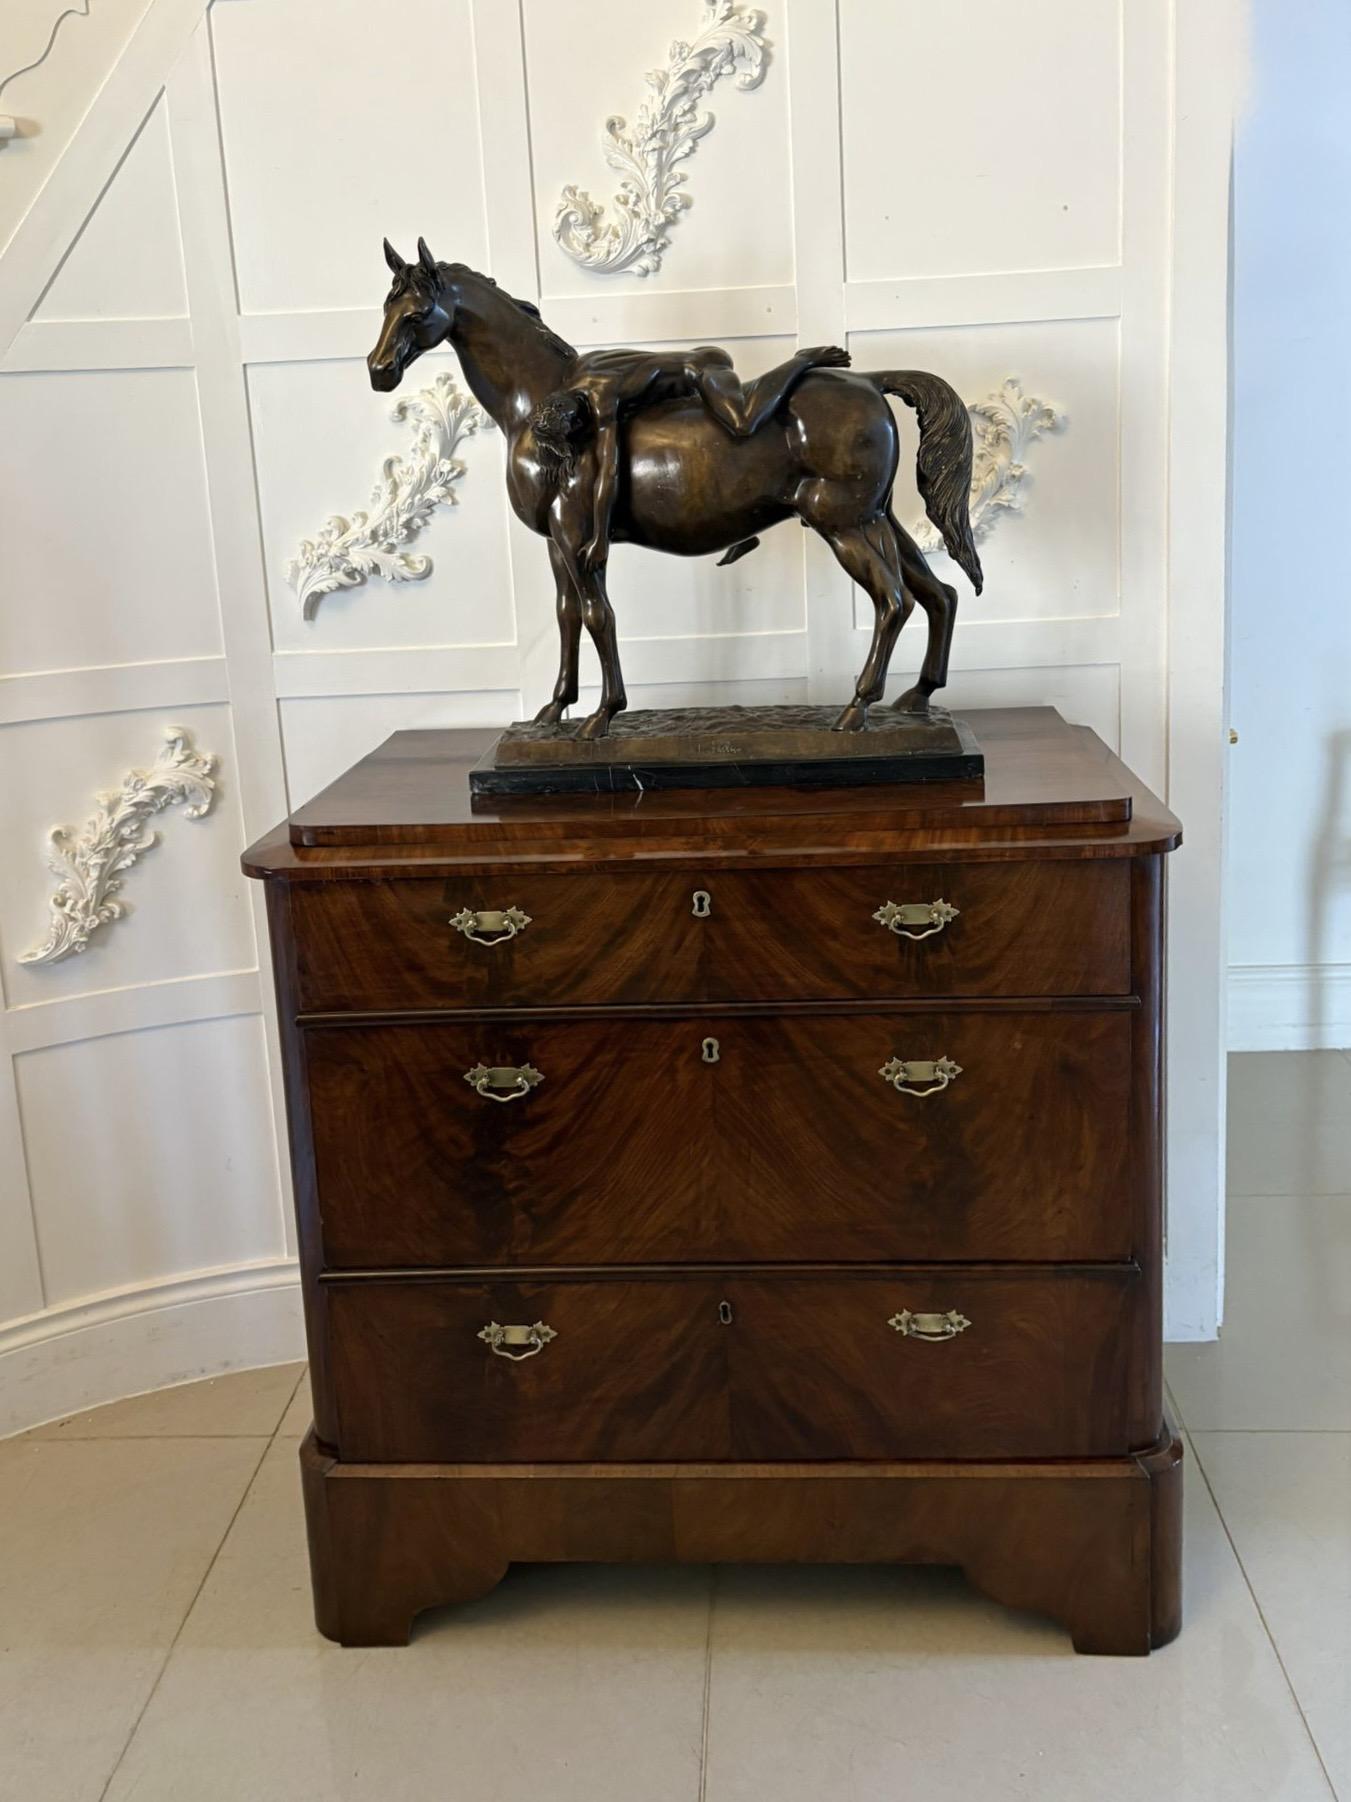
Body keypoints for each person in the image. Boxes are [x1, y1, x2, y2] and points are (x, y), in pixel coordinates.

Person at [529, 343, 850, 570]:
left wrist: (600, 536)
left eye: (559, 408)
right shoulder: (583, 375)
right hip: (685, 386)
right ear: (572, 427)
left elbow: (608, 471)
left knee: (742, 423)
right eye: (564, 418)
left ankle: (800, 361)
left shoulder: (599, 398)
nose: (565, 411)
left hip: (704, 369)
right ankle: (740, 534)